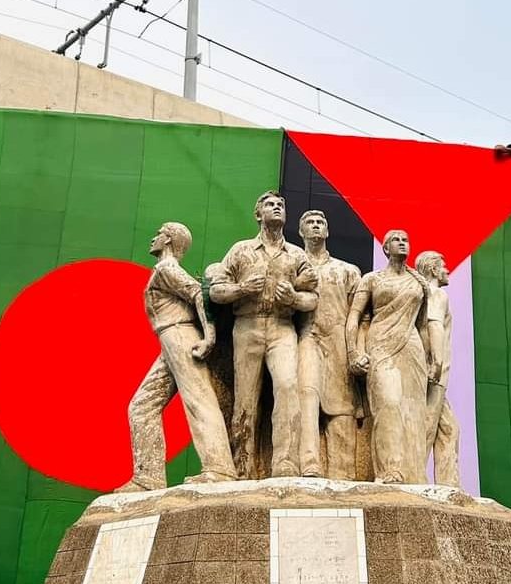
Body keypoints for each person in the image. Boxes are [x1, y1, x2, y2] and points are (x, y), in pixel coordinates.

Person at [118, 222, 237, 492]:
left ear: (169, 240)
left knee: (198, 399)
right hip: (169, 341)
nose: (154, 237)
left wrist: (209, 336)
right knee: (142, 406)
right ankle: (148, 478)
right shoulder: (164, 269)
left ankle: (219, 469)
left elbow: (197, 293)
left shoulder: (166, 268)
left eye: (159, 233)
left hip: (181, 337)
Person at [210, 191, 318, 477]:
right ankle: (242, 467)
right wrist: (242, 289)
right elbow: (217, 290)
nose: (277, 207)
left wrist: (294, 298)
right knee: (245, 398)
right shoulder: (241, 250)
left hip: (283, 328)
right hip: (248, 325)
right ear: (258, 215)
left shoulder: (296, 254)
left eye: (281, 204)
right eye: (270, 205)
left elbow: (313, 299)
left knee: (287, 388)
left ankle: (285, 465)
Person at [345, 230, 433, 484]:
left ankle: (415, 473)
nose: (403, 242)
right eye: (397, 240)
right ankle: (389, 470)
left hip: (412, 346)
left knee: (413, 411)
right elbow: (354, 317)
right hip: (381, 345)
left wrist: (431, 356)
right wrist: (354, 351)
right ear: (385, 249)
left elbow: (423, 324)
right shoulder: (372, 279)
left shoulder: (419, 283)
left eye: (406, 239)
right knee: (389, 404)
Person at [296, 209, 362, 479]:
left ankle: (343, 473)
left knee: (342, 407)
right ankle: (309, 465)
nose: (315, 226)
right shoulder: (294, 266)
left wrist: (357, 349)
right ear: (301, 232)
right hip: (306, 336)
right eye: (309, 223)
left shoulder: (346, 270)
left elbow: (361, 315)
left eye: (320, 222)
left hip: (338, 341)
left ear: (327, 231)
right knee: (306, 395)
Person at [415, 250, 461, 487]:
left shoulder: (428, 293)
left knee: (449, 428)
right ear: (433, 269)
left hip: (431, 365)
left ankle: (449, 484)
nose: (447, 269)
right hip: (434, 367)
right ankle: (415, 476)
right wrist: (437, 362)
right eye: (443, 265)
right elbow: (434, 325)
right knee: (428, 423)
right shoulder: (436, 294)